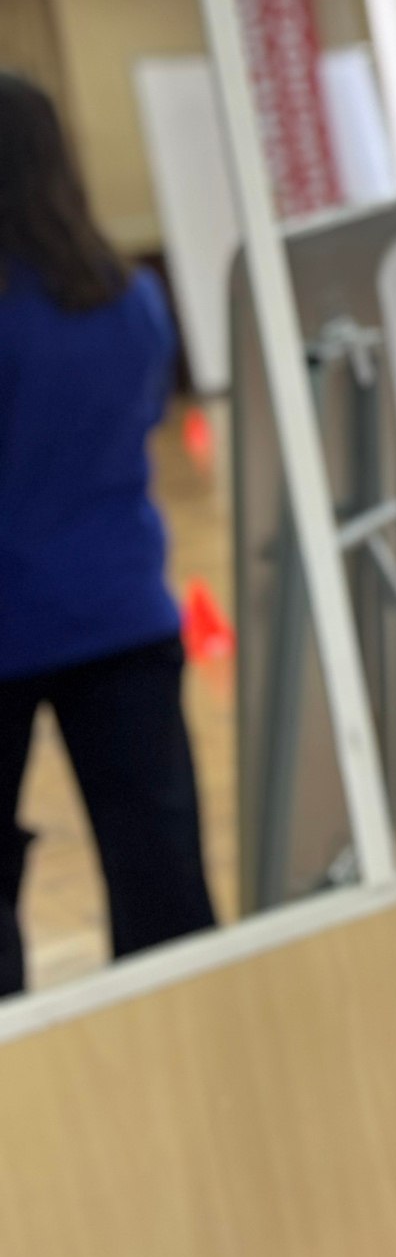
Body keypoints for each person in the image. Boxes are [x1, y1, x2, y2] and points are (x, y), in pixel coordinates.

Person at [0, 71, 218, 998]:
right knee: (160, 878)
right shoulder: (129, 298)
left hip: (13, 624)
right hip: (122, 612)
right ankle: (185, 1041)